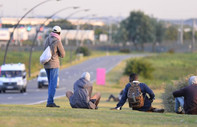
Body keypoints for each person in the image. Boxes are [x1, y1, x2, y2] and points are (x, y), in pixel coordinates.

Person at [44, 26, 65, 108]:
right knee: (53, 84)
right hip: (54, 64)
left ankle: (50, 100)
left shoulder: (47, 39)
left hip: (46, 64)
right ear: (59, 33)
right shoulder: (57, 41)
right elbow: (63, 54)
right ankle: (50, 102)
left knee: (50, 84)